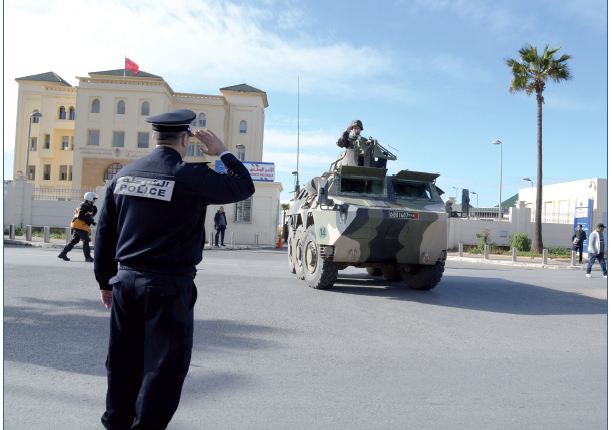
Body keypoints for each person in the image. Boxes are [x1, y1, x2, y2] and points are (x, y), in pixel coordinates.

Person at [94, 109, 254, 429]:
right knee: (164, 367)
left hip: (124, 283)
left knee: (123, 362)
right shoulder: (190, 176)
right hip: (167, 287)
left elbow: (105, 233)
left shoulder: (123, 175)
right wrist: (222, 151)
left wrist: (105, 281)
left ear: (154, 138)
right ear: (185, 139)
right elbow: (243, 187)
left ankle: (116, 424)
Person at [57, 192, 98, 262]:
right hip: (79, 225)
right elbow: (80, 216)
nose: (94, 201)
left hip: (81, 225)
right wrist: (90, 220)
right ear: (89, 199)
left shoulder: (88, 207)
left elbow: (89, 215)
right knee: (86, 240)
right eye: (93, 199)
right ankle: (88, 257)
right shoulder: (83, 206)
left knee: (75, 240)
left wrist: (94, 210)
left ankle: (63, 253)